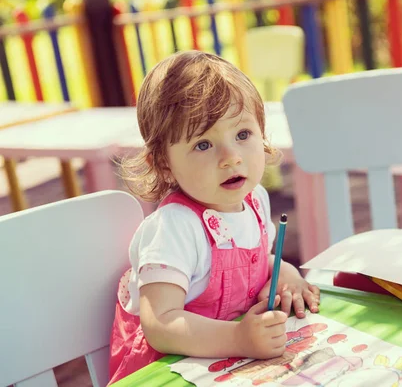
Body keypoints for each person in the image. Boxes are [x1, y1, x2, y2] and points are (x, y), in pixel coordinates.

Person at [108, 51, 320, 384]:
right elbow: (160, 325)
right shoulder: (174, 227)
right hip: (167, 371)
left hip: (229, 366)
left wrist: (286, 275)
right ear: (164, 163)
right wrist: (239, 339)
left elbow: (256, 263)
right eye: (204, 145)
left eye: (243, 135)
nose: (231, 158)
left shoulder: (254, 201)